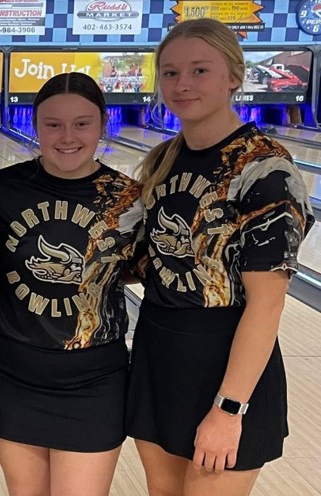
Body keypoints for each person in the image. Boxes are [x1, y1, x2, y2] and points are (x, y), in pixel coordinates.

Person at [126, 18, 314, 495]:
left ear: (234, 75)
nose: (182, 84)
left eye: (199, 70)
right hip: (159, 357)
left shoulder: (266, 170)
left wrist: (229, 409)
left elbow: (267, 305)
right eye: (169, 73)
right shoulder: (162, 159)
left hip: (229, 371)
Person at [0, 72, 143, 496]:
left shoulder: (127, 198)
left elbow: (139, 270)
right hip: (13, 375)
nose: (67, 136)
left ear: (103, 122)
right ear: (35, 124)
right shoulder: (2, 189)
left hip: (94, 380)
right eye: (53, 124)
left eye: (82, 123)